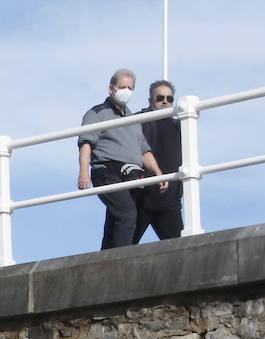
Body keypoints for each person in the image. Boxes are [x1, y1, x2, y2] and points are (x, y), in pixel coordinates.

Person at [77, 69, 166, 249]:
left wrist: (157, 172)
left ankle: (105, 258)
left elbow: (143, 150)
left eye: (130, 88)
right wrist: (84, 172)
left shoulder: (132, 119)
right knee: (126, 213)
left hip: (131, 174)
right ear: (111, 89)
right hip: (107, 171)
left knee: (116, 218)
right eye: (122, 87)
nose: (127, 91)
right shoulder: (97, 114)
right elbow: (86, 142)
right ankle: (121, 258)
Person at [133, 80, 184, 242]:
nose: (165, 101)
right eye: (160, 97)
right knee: (120, 248)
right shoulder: (137, 121)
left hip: (169, 200)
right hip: (140, 197)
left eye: (169, 99)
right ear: (150, 101)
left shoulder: (180, 126)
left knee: (180, 249)